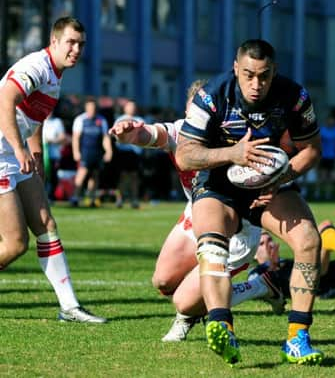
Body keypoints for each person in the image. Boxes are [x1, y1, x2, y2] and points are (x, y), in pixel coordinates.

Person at [175, 39, 324, 365]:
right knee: (212, 248)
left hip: (266, 184)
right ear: (235, 70)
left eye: (264, 76)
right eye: (248, 75)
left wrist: (280, 178)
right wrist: (233, 153)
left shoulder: (294, 97)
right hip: (217, 185)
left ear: (275, 73)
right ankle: (221, 325)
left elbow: (312, 149)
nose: (256, 84)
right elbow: (184, 156)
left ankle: (298, 337)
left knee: (309, 240)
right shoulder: (211, 95)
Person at [108, 80, 284, 343]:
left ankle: (256, 287)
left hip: (235, 231)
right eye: (191, 114)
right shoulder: (182, 131)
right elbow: (153, 135)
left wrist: (271, 188)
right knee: (163, 281)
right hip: (196, 214)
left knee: (184, 302)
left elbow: (275, 170)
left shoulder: (237, 135)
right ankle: (258, 287)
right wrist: (130, 134)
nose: (196, 122)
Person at [0, 16, 106, 323]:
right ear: (54, 41)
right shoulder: (36, 66)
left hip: (13, 152)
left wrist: (34, 152)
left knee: (46, 225)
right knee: (15, 243)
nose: (76, 50)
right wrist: (20, 149)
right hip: (2, 152)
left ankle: (69, 306)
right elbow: (6, 98)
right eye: (71, 43)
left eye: (81, 45)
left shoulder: (55, 74)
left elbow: (31, 115)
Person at [70, 98, 112, 207]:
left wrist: (108, 151)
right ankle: (75, 197)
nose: (91, 110)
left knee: (95, 175)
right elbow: (76, 137)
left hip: (97, 152)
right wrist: (76, 152)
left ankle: (91, 198)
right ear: (86, 108)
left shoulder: (101, 120)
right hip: (85, 151)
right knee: (82, 173)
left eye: (93, 108)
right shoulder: (80, 120)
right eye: (89, 108)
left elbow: (105, 137)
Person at [113, 100, 144, 208]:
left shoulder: (140, 120)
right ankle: (119, 199)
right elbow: (115, 135)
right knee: (122, 176)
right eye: (130, 107)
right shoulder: (120, 120)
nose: (132, 109)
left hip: (135, 153)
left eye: (133, 107)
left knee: (134, 176)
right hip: (123, 152)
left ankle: (134, 200)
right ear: (125, 108)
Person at [42, 109, 66, 201]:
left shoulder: (57, 122)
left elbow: (63, 137)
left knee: (52, 176)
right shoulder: (39, 121)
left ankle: (51, 196)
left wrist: (52, 141)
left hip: (53, 155)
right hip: (41, 155)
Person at [315, 115, 335, 199]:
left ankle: (328, 194)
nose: (331, 123)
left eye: (332, 121)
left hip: (332, 156)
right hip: (323, 156)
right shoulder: (322, 130)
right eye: (330, 121)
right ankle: (317, 192)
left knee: (330, 177)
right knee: (322, 176)